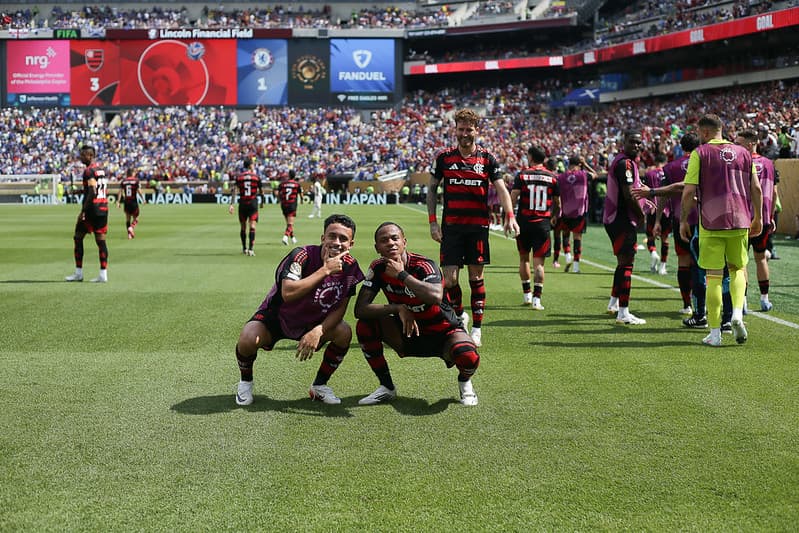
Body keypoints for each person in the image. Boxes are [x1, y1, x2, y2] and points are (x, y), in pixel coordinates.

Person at [233, 214, 365, 406]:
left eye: (343, 239)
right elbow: (288, 292)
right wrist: (326, 270)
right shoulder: (301, 255)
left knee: (344, 332)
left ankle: (319, 386)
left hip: (312, 321)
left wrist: (318, 330)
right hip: (278, 317)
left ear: (351, 244)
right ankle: (245, 382)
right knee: (248, 337)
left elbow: (340, 309)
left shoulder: (351, 267)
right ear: (323, 238)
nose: (336, 242)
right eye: (332, 236)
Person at [354, 222, 480, 406]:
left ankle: (464, 382)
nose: (390, 243)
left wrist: (402, 275)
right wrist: (397, 308)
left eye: (395, 238)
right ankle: (386, 387)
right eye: (384, 240)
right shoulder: (378, 268)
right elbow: (360, 309)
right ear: (377, 248)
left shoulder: (424, 265)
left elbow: (436, 296)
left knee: (467, 355)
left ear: (404, 242)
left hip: (443, 332)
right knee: (365, 325)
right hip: (409, 333)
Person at [427, 108, 519, 347]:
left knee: (476, 277)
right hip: (451, 228)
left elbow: (501, 189)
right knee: (450, 279)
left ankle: (477, 328)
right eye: (461, 129)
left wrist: (510, 215)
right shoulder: (444, 157)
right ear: (455, 129)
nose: (464, 133)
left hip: (477, 227)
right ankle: (459, 316)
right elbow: (431, 190)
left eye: (469, 129)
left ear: (477, 131)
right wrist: (433, 222)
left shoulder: (487, 159)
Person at [679, 114, 763, 347]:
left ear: (705, 133)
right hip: (740, 219)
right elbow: (755, 187)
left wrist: (683, 220)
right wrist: (759, 217)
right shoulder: (744, 153)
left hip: (710, 221)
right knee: (737, 269)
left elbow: (688, 192)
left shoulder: (700, 153)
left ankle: (714, 333)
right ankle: (736, 312)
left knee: (713, 277)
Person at [604, 130, 647, 325]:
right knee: (627, 263)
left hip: (614, 217)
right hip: (621, 218)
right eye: (633, 142)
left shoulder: (623, 161)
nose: (636, 146)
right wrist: (641, 215)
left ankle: (614, 304)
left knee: (622, 262)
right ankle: (624, 312)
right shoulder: (625, 164)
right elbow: (629, 194)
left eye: (639, 143)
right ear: (624, 142)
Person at [511, 144, 560, 310]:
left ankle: (527, 295)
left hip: (524, 222)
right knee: (539, 264)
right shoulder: (552, 177)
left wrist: (509, 217)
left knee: (524, 258)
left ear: (531, 157)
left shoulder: (522, 175)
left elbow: (513, 198)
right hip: (542, 224)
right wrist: (554, 216)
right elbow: (558, 203)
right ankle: (537, 300)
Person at [736, 129, 778, 312]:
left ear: (751, 143)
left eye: (739, 143)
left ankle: (743, 302)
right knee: (761, 259)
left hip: (744, 218)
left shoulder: (739, 162)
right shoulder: (769, 164)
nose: (736, 146)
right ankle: (764, 299)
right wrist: (770, 215)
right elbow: (775, 192)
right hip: (764, 218)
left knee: (742, 262)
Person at [65, 144, 110, 283]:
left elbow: (92, 191)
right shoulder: (100, 169)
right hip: (103, 208)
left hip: (92, 210)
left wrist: (83, 211)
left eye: (83, 155)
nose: (80, 157)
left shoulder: (89, 171)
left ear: (90, 156)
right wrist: (79, 191)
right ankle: (103, 274)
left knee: (78, 237)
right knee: (101, 242)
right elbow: (95, 188)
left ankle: (79, 273)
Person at [555, 154, 596, 274]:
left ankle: (567, 256)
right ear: (579, 164)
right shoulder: (583, 175)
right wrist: (586, 165)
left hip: (565, 211)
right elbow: (595, 174)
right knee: (577, 238)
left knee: (565, 234)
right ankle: (576, 266)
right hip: (579, 211)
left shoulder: (561, 177)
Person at [228, 158, 263, 256]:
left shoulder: (239, 177)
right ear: (250, 165)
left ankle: (244, 248)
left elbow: (234, 190)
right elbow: (261, 191)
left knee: (243, 227)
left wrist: (231, 204)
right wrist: (262, 202)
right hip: (252, 203)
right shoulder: (256, 177)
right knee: (252, 226)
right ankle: (251, 249)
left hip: (242, 204)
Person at [643, 153, 670, 275]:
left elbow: (646, 191)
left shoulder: (649, 174)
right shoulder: (669, 173)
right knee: (665, 238)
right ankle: (663, 267)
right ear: (665, 162)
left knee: (650, 236)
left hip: (653, 208)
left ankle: (653, 253)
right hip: (667, 209)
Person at [116, 166, 141, 239]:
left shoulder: (123, 181)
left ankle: (129, 235)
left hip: (126, 202)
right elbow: (139, 191)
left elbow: (120, 192)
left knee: (127, 219)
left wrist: (118, 201)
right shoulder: (136, 180)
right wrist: (143, 199)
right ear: (132, 173)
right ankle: (131, 228)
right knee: (136, 218)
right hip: (133, 201)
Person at [278, 169, 301, 245]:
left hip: (284, 205)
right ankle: (285, 237)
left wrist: (280, 199)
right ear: (294, 176)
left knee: (288, 223)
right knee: (290, 224)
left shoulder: (282, 184)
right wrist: (302, 200)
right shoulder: (296, 184)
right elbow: (301, 194)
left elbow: (278, 193)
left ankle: (293, 238)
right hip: (292, 205)